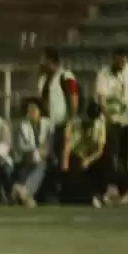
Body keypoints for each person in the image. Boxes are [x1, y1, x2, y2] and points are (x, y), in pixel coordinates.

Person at [37, 48, 79, 201]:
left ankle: (65, 191)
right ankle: (51, 191)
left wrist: (72, 120)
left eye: (43, 60)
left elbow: (74, 98)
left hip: (63, 123)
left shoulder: (65, 76)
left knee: (64, 159)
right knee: (50, 158)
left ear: (50, 61)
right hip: (49, 124)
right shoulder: (43, 80)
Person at [95, 49, 128, 205]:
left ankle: (123, 191)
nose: (122, 64)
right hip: (110, 122)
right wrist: (107, 118)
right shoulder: (104, 75)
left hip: (124, 120)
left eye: (124, 61)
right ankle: (102, 191)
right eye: (119, 61)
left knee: (123, 157)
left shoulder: (126, 71)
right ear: (113, 59)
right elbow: (102, 99)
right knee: (110, 157)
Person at [64, 101, 110, 206]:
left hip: (92, 156)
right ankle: (86, 196)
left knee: (106, 160)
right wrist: (67, 162)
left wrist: (88, 160)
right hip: (77, 154)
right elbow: (69, 145)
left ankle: (100, 194)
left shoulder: (100, 124)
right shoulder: (75, 123)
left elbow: (100, 149)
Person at [12, 98, 52, 207]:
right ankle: (26, 193)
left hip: (45, 155)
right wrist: (34, 151)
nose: (32, 113)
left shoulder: (48, 124)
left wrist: (43, 151)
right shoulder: (23, 125)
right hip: (27, 155)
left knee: (41, 164)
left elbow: (50, 143)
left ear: (40, 111)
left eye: (34, 109)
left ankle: (23, 190)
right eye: (29, 110)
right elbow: (21, 145)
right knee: (37, 163)